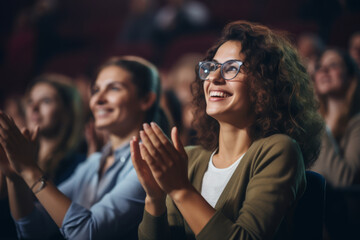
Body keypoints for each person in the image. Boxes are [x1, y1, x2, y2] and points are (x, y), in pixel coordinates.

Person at [130, 20, 324, 240]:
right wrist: (154, 199)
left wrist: (180, 190)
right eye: (211, 67)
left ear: (266, 83)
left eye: (231, 68)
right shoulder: (190, 157)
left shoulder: (278, 150)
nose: (214, 78)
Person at [0, 56, 167, 239]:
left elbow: (87, 233)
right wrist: (14, 177)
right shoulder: (94, 162)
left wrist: (30, 170)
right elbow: (34, 230)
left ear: (146, 99)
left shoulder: (149, 161)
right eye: (95, 90)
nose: (98, 99)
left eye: (114, 88)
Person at [311, 48, 360, 240]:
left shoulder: (356, 123)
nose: (324, 71)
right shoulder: (314, 123)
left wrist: (317, 123)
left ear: (350, 76)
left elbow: (344, 179)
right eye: (320, 67)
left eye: (333, 65)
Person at [24, 74, 86, 185]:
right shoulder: (22, 157)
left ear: (66, 111)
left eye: (46, 101)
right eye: (30, 101)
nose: (34, 108)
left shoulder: (78, 165)